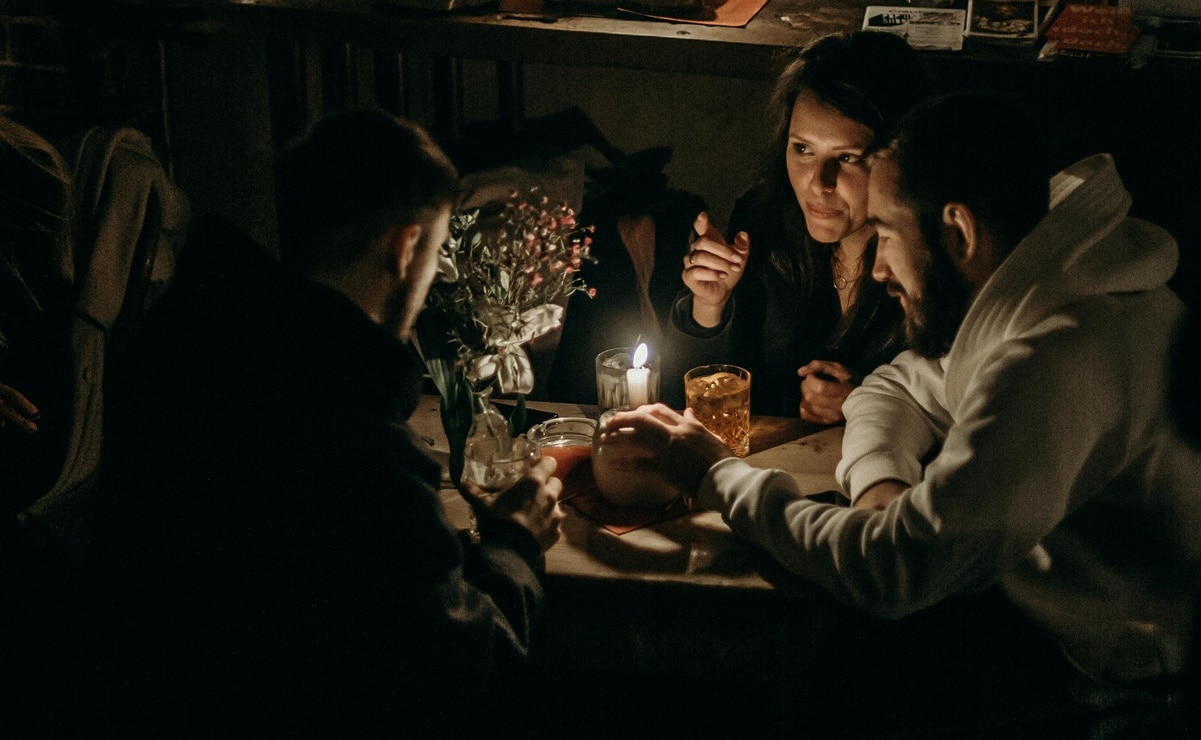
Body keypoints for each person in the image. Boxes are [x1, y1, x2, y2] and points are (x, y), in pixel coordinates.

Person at [602, 92, 1201, 736]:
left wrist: (714, 473)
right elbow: (902, 384)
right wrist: (881, 485)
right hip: (1054, 648)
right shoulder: (1050, 291)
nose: (880, 265)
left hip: (1132, 702)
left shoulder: (1059, 352)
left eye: (886, 233)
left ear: (957, 231)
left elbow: (895, 571)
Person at [87, 110, 564, 736]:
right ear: (406, 247)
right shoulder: (350, 436)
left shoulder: (191, 356)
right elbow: (455, 663)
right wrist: (516, 545)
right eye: (437, 248)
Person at [668, 31, 929, 421]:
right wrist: (709, 306)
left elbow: (966, 414)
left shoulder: (929, 258)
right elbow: (695, 401)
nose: (817, 183)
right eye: (803, 149)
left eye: (848, 157)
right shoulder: (763, 220)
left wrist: (869, 404)